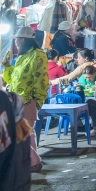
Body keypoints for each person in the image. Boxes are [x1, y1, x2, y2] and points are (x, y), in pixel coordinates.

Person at [2, 27, 46, 172]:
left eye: (16, 39)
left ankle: (34, 162)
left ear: (22, 40)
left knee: (20, 135)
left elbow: (41, 80)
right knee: (28, 133)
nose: (15, 42)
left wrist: (37, 101)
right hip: (16, 101)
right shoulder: (21, 57)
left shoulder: (38, 55)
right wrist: (7, 67)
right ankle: (30, 163)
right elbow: (11, 80)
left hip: (27, 101)